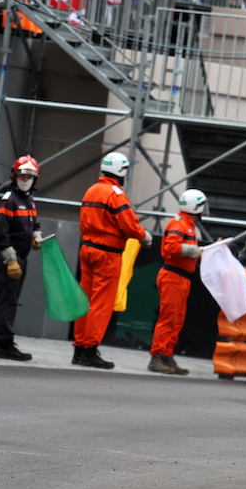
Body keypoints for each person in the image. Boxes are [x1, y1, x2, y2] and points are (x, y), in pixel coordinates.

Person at [73, 151, 151, 370]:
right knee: (101, 303)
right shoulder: (115, 194)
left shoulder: (92, 190)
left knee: (84, 300)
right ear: (121, 172)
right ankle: (90, 349)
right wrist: (144, 236)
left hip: (87, 250)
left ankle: (79, 349)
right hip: (107, 254)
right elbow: (129, 224)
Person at [0, 155, 43, 361]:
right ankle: (4, 345)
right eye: (23, 174)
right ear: (15, 175)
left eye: (31, 175)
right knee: (7, 302)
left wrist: (36, 238)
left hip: (21, 257)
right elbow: (1, 234)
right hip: (9, 258)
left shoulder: (29, 201)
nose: (26, 178)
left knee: (6, 301)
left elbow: (34, 225)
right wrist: (10, 260)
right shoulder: (8, 200)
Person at [148, 189, 209, 376]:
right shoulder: (180, 224)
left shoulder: (188, 225)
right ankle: (157, 356)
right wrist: (194, 251)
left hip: (181, 277)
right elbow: (171, 247)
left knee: (176, 320)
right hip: (173, 277)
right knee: (168, 318)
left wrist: (195, 251)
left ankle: (167, 355)